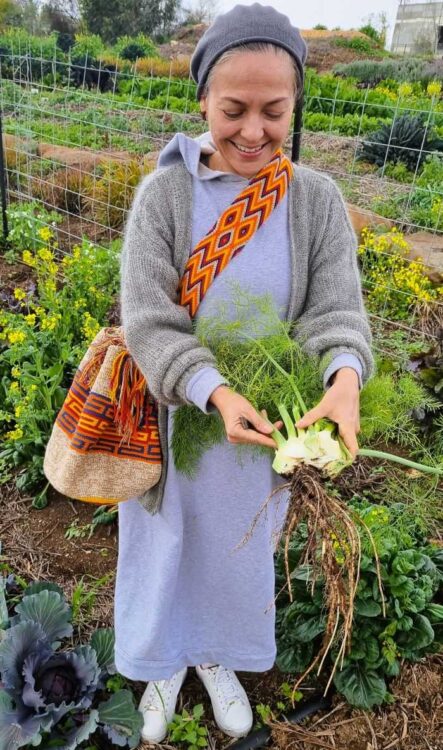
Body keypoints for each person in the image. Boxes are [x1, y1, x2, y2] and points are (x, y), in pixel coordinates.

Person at [116, 3, 374, 744]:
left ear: (296, 106)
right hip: (177, 420)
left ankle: (216, 658)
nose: (253, 131)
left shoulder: (313, 201)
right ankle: (163, 662)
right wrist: (211, 388)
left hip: (260, 432)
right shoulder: (163, 195)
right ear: (202, 101)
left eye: (274, 110)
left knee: (237, 550)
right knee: (165, 543)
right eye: (233, 110)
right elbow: (148, 320)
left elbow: (335, 313)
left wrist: (345, 378)